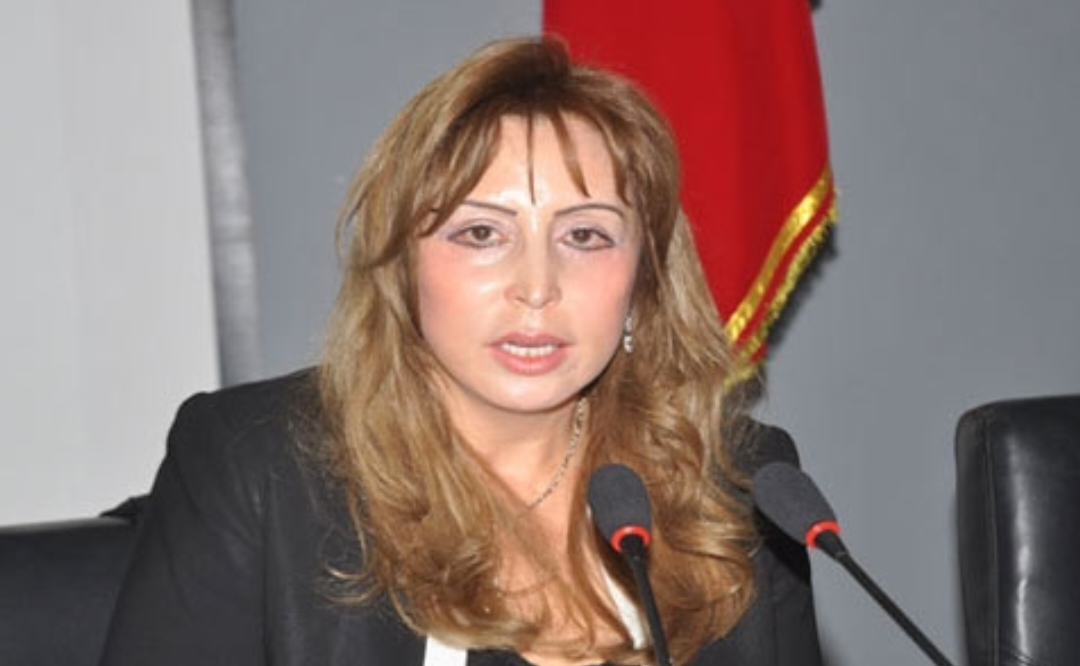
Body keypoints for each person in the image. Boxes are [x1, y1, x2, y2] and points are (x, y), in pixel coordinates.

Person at [98, 36, 821, 666]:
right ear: (402, 266)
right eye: (481, 233)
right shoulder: (257, 468)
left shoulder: (737, 486)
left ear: (644, 281)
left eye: (585, 235)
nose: (536, 287)